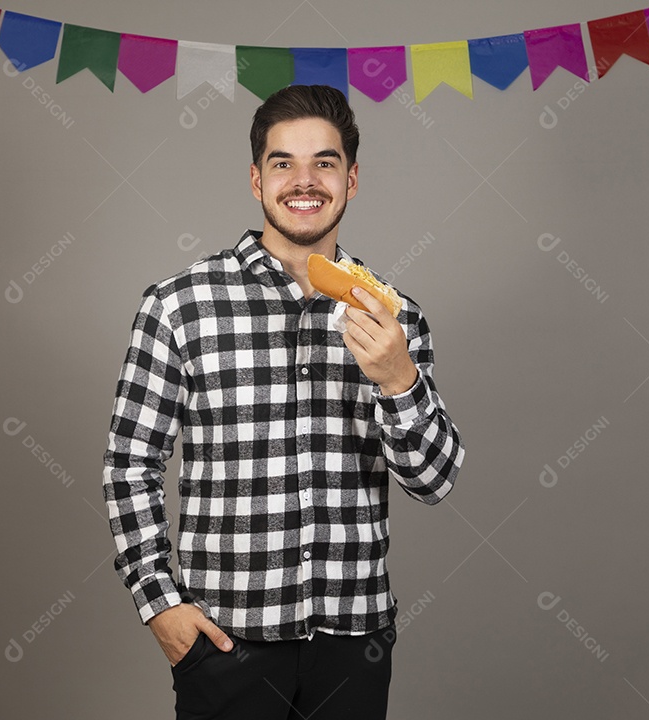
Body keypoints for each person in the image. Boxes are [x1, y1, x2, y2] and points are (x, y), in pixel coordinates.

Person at [103, 84, 464, 720]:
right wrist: (158, 601)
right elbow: (130, 465)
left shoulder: (394, 316)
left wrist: (397, 378)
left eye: (325, 162)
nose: (305, 181)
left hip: (355, 639)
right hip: (224, 640)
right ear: (255, 179)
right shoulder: (179, 306)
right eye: (283, 163)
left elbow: (433, 482)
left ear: (352, 180)